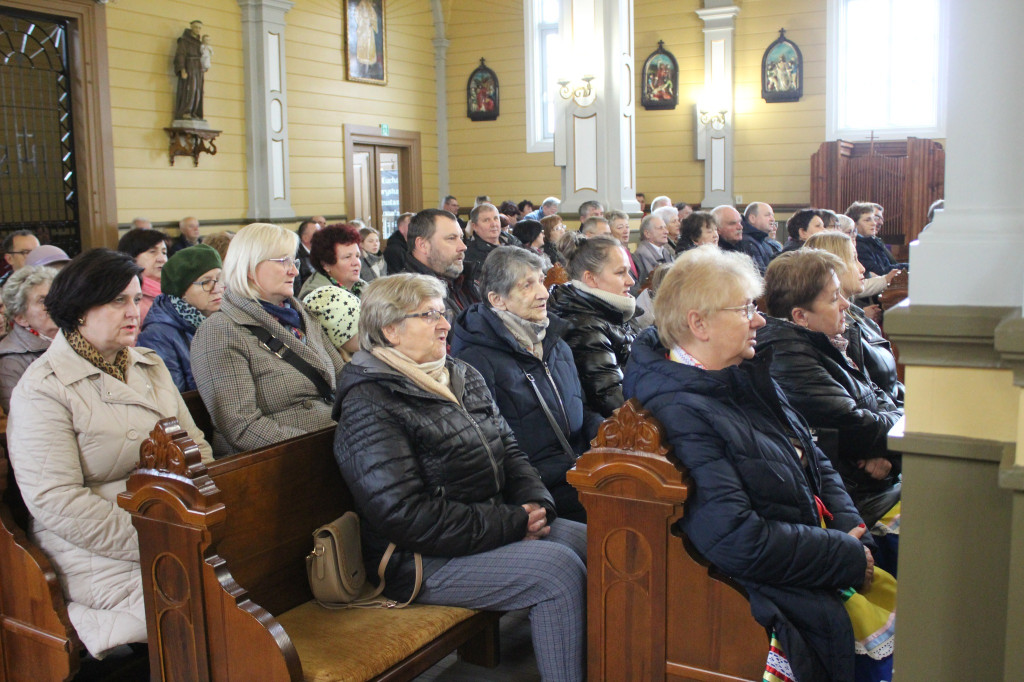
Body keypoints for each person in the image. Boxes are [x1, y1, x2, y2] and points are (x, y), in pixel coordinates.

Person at [623, 245, 889, 682]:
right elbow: (739, 540)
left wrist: (847, 523)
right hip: (761, 590)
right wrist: (842, 552)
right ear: (699, 323)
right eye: (745, 308)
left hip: (809, 555)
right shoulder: (680, 410)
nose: (760, 319)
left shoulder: (741, 372)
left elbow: (811, 450)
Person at [334, 273, 587, 681]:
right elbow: (403, 514)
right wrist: (511, 523)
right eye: (429, 314)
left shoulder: (459, 374)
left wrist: (537, 503)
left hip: (485, 526)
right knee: (556, 571)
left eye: (443, 311)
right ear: (390, 330)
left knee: (595, 542)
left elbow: (510, 450)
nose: (445, 323)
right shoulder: (370, 401)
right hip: (421, 560)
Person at [7, 248, 212, 659]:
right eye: (118, 300)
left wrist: (199, 516)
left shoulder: (148, 365)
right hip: (93, 549)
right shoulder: (44, 387)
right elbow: (55, 500)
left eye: (137, 299)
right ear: (79, 309)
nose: (133, 311)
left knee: (254, 579)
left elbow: (198, 448)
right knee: (203, 603)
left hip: (179, 526)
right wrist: (159, 537)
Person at [452, 247, 601, 522]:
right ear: (497, 299)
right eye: (527, 285)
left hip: (581, 469)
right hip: (538, 487)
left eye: (541, 281)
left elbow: (582, 408)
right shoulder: (475, 359)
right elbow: (491, 447)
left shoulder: (554, 342)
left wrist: (607, 438)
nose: (544, 293)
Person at [757, 249, 903, 524]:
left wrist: (891, 456)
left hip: (874, 485)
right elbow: (858, 427)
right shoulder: (786, 354)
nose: (846, 305)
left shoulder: (831, 339)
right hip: (853, 500)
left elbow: (878, 395)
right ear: (801, 316)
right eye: (835, 297)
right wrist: (904, 423)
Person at [191, 223, 344, 457]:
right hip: (278, 464)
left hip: (335, 442)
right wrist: (316, 449)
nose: (293, 271)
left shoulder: (302, 316)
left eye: (294, 261)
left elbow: (343, 379)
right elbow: (241, 427)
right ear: (250, 268)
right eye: (283, 261)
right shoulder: (221, 330)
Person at [804, 231, 904, 406]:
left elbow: (889, 385)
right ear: (834, 267)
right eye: (854, 259)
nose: (862, 268)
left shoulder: (857, 315)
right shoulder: (832, 328)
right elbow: (865, 398)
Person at [548, 235, 639, 417]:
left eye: (628, 271)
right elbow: (612, 400)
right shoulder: (584, 327)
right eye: (620, 272)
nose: (631, 281)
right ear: (590, 278)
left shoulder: (611, 310)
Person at [136, 244, 224, 392]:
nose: (217, 288)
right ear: (181, 291)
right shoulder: (157, 335)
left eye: (219, 279)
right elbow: (175, 398)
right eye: (205, 282)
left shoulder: (223, 321)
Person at [0, 266, 58, 413]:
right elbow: (23, 417)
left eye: (56, 296)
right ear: (21, 318)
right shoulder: (11, 360)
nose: (55, 304)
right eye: (43, 301)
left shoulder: (79, 338)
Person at [403, 208, 480, 318]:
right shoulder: (408, 298)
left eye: (461, 238)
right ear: (423, 245)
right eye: (452, 238)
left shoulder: (469, 282)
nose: (463, 246)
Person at [299, 223, 366, 299]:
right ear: (326, 265)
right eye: (347, 257)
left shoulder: (362, 287)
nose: (356, 263)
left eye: (357, 256)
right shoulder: (318, 297)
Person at [117, 227, 169, 323]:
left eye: (164, 252)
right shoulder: (129, 297)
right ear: (131, 257)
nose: (162, 259)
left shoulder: (174, 290)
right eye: (152, 252)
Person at [847, 202, 906, 276]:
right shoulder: (857, 245)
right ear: (854, 223)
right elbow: (879, 272)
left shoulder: (874, 241)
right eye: (867, 220)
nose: (874, 223)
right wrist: (910, 266)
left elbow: (887, 266)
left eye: (873, 219)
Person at [632, 213, 674, 294]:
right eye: (660, 228)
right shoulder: (642, 254)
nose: (666, 231)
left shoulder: (665, 251)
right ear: (647, 233)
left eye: (665, 227)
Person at [173, 20, 206, 120]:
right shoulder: (184, 41)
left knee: (198, 90)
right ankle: (186, 111)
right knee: (190, 89)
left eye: (200, 28)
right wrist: (182, 69)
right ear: (191, 27)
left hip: (198, 68)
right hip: (189, 67)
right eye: (196, 27)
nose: (198, 30)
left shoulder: (200, 43)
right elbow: (180, 55)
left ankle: (195, 112)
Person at [740, 202, 777, 274]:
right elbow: (760, 275)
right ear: (752, 218)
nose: (772, 219)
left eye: (772, 215)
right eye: (767, 215)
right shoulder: (747, 243)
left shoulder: (762, 241)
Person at [294, 219, 321, 293]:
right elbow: (297, 288)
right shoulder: (296, 256)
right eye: (317, 233)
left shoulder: (321, 253)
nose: (321, 236)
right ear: (305, 238)